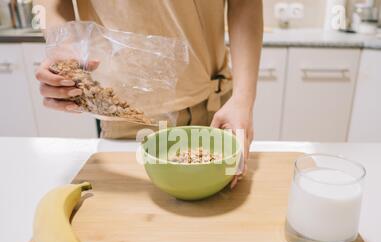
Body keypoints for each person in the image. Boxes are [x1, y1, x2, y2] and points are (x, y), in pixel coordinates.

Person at [34, 0, 263, 187]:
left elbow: (245, 4)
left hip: (215, 109)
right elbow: (45, 4)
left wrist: (242, 100)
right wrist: (59, 41)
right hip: (127, 116)